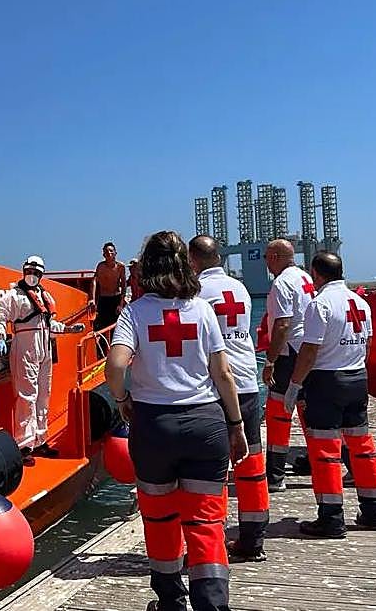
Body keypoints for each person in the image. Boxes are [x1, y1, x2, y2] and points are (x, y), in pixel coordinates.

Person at [107, 231, 248, 611]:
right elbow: (224, 375)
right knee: (205, 525)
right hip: (205, 423)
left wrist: (123, 400)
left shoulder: (133, 314)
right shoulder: (202, 309)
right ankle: (213, 604)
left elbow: (116, 366)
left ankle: (170, 601)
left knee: (161, 518)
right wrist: (236, 426)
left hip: (154, 426)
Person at [284, 252, 376, 537]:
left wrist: (294, 385)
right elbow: (367, 343)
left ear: (316, 274)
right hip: (356, 377)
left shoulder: (320, 305)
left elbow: (309, 351)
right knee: (363, 447)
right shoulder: (360, 302)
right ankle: (375, 511)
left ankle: (330, 518)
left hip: (327, 381)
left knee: (324, 451)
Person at [189, 235, 268, 563]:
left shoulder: (196, 293)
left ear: (193, 261)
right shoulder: (240, 289)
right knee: (251, 464)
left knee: (213, 470)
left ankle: (214, 539)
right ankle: (253, 538)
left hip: (216, 386)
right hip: (247, 381)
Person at [0, 256, 83, 465]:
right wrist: (0, 336)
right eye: (29, 270)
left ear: (41, 275)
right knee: (26, 396)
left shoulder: (44, 295)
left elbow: (49, 325)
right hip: (25, 346)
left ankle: (41, 439)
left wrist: (67, 329)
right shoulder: (15, 296)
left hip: (44, 348)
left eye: (36, 272)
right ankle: (23, 445)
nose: (32, 275)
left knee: (43, 394)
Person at [261, 238, 315, 492]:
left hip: (289, 353)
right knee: (309, 410)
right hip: (308, 351)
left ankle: (274, 475)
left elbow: (282, 325)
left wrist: (270, 361)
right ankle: (321, 462)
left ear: (274, 256)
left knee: (277, 414)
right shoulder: (305, 278)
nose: (265, 263)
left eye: (266, 257)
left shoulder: (281, 283)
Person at [90, 241, 127, 339]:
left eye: (111, 251)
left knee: (116, 324)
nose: (109, 253)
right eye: (106, 252)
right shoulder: (100, 266)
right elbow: (94, 281)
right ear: (103, 254)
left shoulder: (120, 267)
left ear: (115, 253)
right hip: (104, 298)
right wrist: (92, 299)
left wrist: (121, 303)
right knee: (102, 324)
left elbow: (124, 285)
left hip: (115, 298)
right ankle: (102, 348)